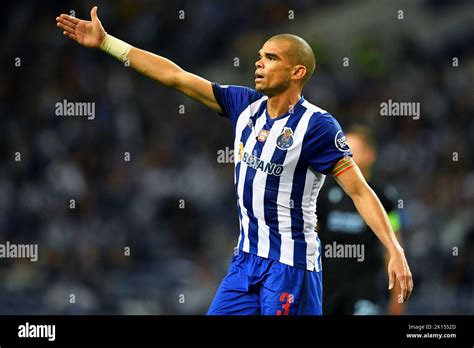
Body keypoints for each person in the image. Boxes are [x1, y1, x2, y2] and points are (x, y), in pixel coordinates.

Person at [56, 6, 413, 315]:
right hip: (245, 262)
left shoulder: (317, 127)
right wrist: (107, 43)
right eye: (259, 55)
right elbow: (175, 76)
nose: (258, 62)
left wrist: (393, 249)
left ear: (297, 72)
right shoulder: (244, 106)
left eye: (271, 58)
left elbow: (361, 192)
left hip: (292, 267)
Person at [317, 125, 405, 315]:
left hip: (364, 289)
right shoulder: (323, 192)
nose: (345, 156)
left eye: (352, 151)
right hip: (326, 288)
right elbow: (309, 238)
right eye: (343, 149)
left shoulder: (383, 197)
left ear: (369, 155)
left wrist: (398, 297)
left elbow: (393, 245)